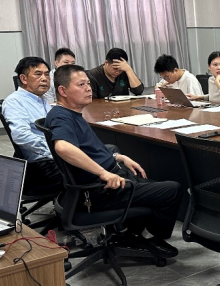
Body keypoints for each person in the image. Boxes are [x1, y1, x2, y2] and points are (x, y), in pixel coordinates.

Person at [45, 65, 181, 254]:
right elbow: (63, 147)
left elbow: (89, 149)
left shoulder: (71, 113)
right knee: (172, 190)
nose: (88, 88)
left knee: (149, 181)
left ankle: (131, 231)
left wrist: (118, 157)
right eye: (81, 85)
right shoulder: (62, 117)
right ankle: (151, 239)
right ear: (62, 90)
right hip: (101, 191)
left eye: (88, 84)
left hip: (107, 180)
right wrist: (104, 173)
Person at [2, 57, 62, 189]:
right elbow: (21, 135)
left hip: (54, 156)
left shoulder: (42, 100)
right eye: (38, 74)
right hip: (42, 164)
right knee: (92, 171)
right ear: (23, 79)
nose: (44, 78)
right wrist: (55, 151)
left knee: (103, 156)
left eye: (47, 74)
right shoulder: (15, 102)